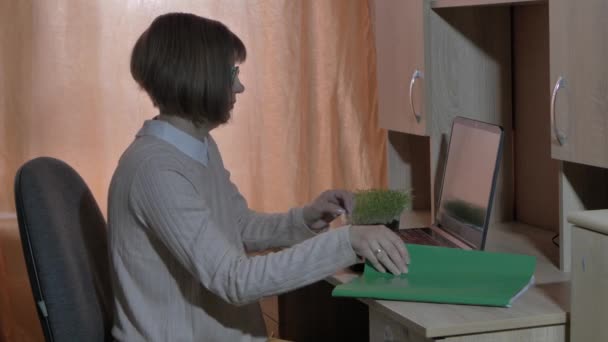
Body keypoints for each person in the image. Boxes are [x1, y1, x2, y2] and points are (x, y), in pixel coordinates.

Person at [107, 12, 409, 342]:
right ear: (200, 77)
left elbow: (238, 227)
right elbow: (234, 279)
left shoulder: (197, 146)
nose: (239, 86)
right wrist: (347, 241)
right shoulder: (156, 171)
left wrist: (307, 219)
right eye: (232, 72)